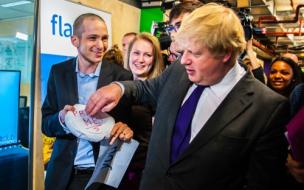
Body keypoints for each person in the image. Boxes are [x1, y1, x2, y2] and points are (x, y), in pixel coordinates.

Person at [85, 3, 290, 190]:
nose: (184, 61)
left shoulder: (267, 109)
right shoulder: (179, 71)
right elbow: (147, 89)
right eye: (184, 52)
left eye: (196, 53)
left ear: (226, 53)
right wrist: (119, 88)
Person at [42, 13, 134, 190]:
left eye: (104, 38)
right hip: (61, 175)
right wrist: (61, 118)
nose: (101, 45)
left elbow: (125, 127)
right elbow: (46, 124)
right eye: (93, 38)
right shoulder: (58, 72)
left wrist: (124, 129)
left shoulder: (121, 77)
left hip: (100, 176)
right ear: (75, 40)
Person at [119, 32, 164, 189]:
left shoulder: (159, 92)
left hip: (141, 173)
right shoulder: (118, 86)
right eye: (136, 53)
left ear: (155, 59)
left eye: (147, 55)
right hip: (115, 169)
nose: (140, 60)